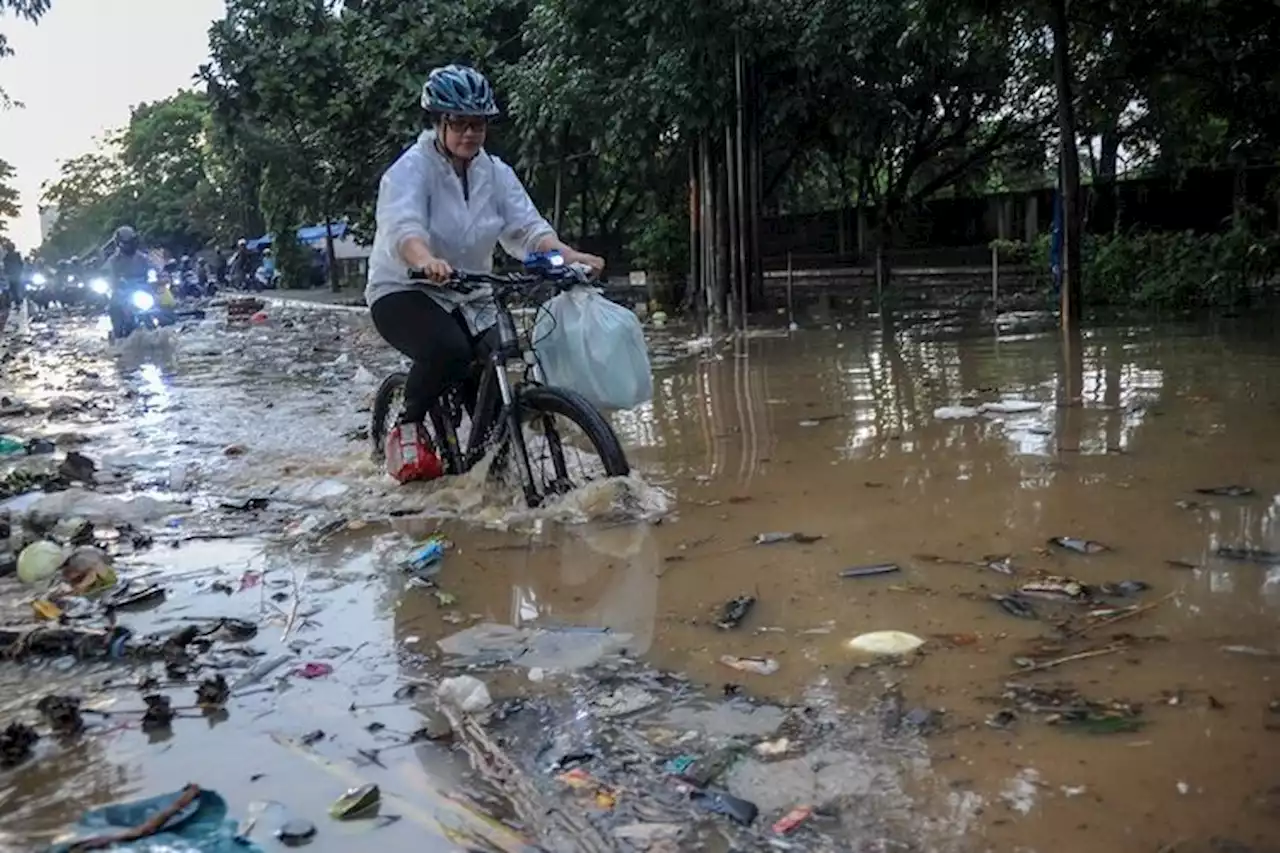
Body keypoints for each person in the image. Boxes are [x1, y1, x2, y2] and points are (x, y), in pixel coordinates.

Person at [365, 64, 603, 483]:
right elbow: (403, 229)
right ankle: (408, 425)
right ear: (439, 122)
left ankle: (486, 474)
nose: (470, 133)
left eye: (479, 124)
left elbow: (528, 229)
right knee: (449, 349)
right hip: (405, 288)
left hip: (470, 291)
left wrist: (570, 256)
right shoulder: (410, 170)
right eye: (459, 123)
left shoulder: (495, 173)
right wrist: (424, 260)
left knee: (500, 363)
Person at [104, 225, 154, 338]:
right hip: (123, 294)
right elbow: (109, 277)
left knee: (164, 307)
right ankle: (118, 335)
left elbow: (154, 270)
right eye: (125, 243)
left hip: (143, 291)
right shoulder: (113, 261)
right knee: (114, 307)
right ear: (119, 244)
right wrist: (115, 283)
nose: (128, 245)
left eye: (130, 242)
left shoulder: (143, 258)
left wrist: (161, 277)